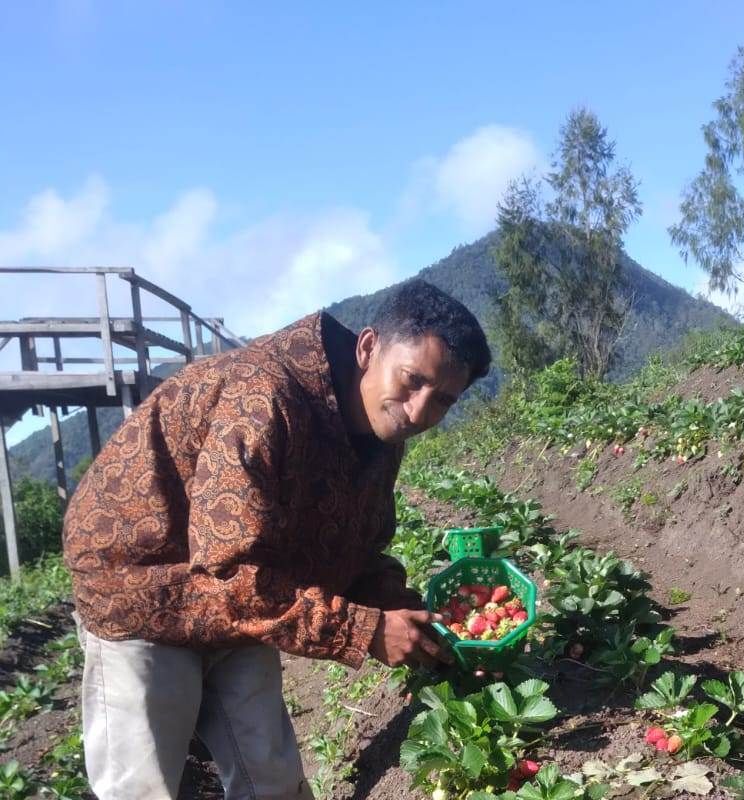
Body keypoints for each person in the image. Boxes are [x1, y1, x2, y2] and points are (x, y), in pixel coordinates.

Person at [62, 278, 491, 800]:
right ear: (368, 347)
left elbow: (356, 549)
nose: (420, 411)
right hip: (143, 588)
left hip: (243, 596)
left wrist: (407, 614)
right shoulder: (263, 396)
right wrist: (365, 630)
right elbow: (226, 571)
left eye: (442, 400)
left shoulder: (380, 433)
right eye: (411, 380)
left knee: (271, 775)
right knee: (146, 785)